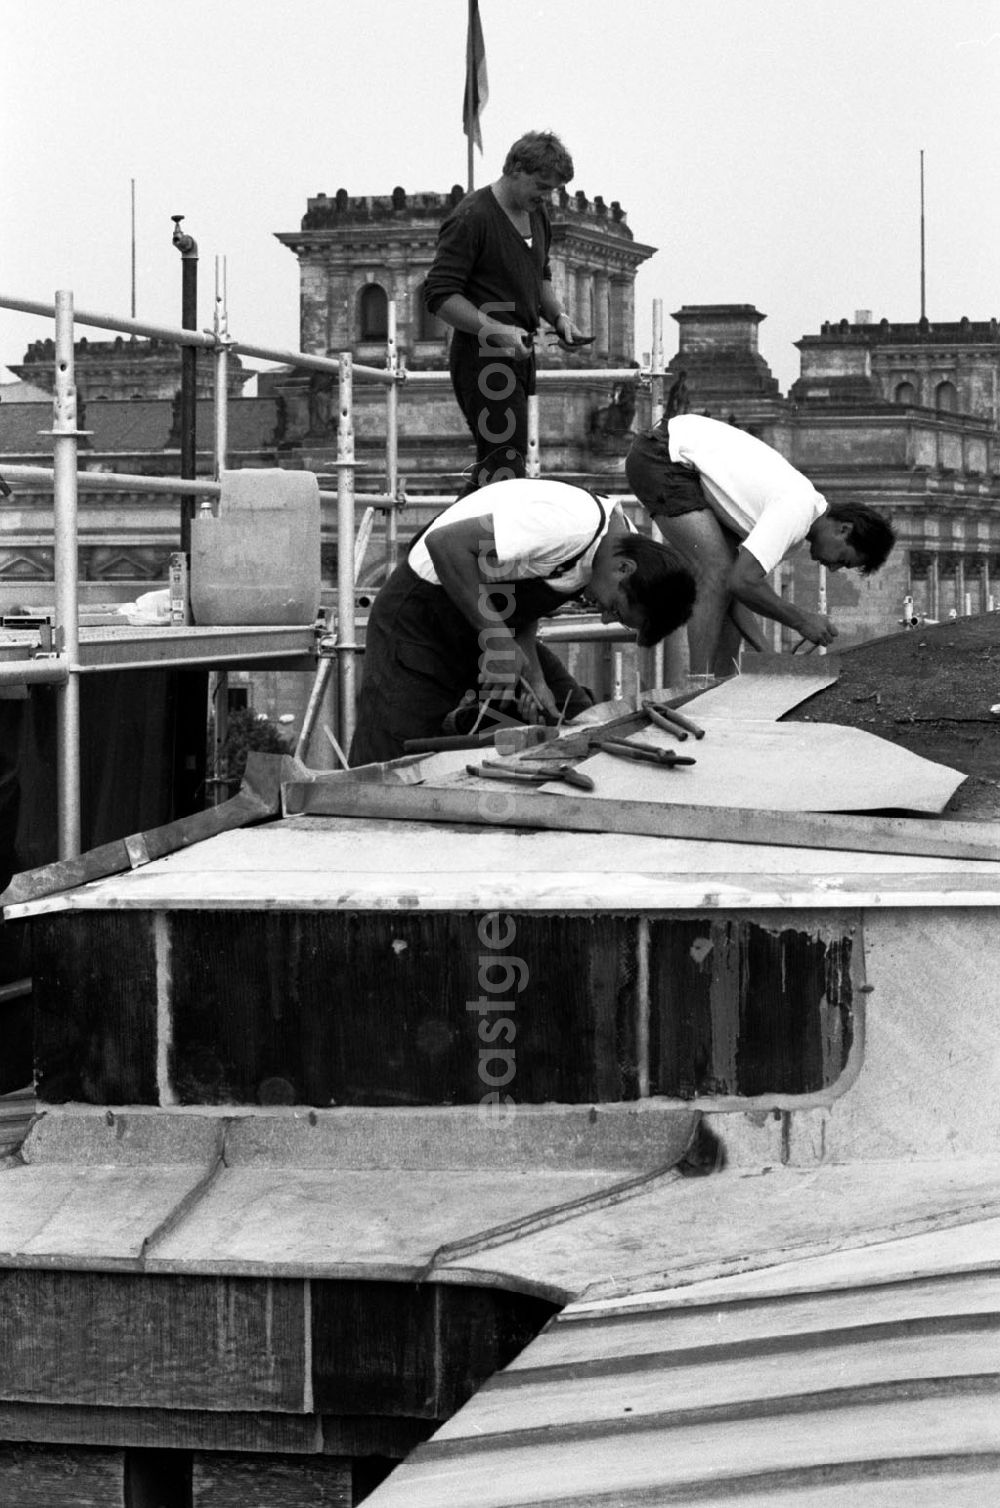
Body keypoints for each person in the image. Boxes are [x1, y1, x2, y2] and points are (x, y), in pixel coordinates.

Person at [348, 478, 697, 766]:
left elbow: (524, 597)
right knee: (394, 759)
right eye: (615, 610)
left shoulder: (618, 546)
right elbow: (446, 546)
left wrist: (534, 676)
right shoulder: (566, 526)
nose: (604, 617)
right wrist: (499, 642)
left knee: (576, 719)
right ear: (624, 570)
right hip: (420, 619)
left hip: (485, 623)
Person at [625, 411, 896, 675]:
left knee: (723, 574)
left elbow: (739, 590)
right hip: (663, 457)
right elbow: (740, 581)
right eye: (844, 560)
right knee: (715, 570)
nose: (834, 568)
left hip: (675, 459)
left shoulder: (797, 527)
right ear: (843, 529)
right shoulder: (797, 510)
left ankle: (721, 684)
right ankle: (698, 684)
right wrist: (801, 620)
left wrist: (766, 652)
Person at [424, 131, 589, 494]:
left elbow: (539, 273)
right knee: (503, 465)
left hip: (518, 354)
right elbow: (439, 295)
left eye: (551, 191)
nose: (545, 197)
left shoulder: (538, 214)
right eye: (541, 186)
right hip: (484, 356)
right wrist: (497, 330)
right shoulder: (472, 217)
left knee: (503, 464)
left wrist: (558, 317)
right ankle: (444, 546)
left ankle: (448, 546)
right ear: (515, 169)